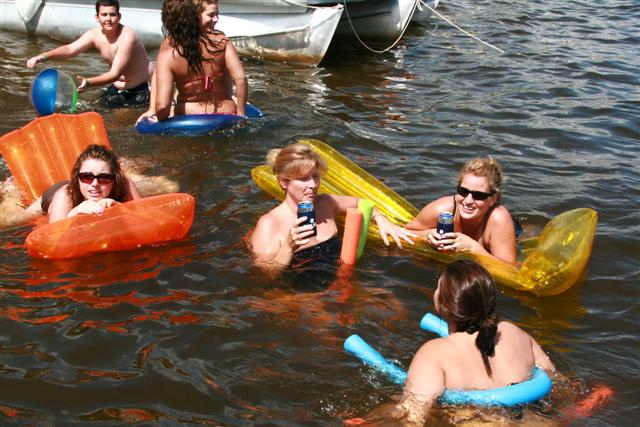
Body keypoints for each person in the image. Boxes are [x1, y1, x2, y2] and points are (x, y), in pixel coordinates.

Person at [398, 260, 557, 424]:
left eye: (438, 287)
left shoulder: (434, 353)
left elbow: (412, 416)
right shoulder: (515, 332)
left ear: (444, 305)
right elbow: (553, 376)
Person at [250, 143, 416, 272]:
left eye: (316, 176)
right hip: (301, 294)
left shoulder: (325, 203)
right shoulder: (269, 223)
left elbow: (362, 203)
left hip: (339, 280)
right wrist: (288, 246)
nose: (313, 185)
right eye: (304, 178)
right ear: (284, 182)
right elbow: (266, 275)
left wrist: (381, 219)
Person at [26, 0, 153, 108]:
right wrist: (43, 56)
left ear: (119, 17)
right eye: (104, 15)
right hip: (117, 87)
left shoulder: (127, 37)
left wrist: (89, 82)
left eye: (112, 15)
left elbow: (115, 74)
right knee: (96, 110)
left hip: (141, 88)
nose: (108, 19)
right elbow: (70, 49)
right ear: (97, 18)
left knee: (116, 121)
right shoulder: (95, 35)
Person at [137, 0, 247, 123]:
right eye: (211, 14)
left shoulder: (168, 54)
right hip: (225, 111)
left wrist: (157, 117)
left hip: (188, 115)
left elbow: (162, 105)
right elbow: (241, 78)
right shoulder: (221, 42)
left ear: (167, 22)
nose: (216, 19)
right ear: (196, 16)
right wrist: (241, 114)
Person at [405, 157, 517, 265]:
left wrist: (474, 248)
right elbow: (405, 232)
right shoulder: (442, 209)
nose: (468, 201)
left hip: (506, 233)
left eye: (478, 195)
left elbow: (510, 271)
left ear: (493, 199)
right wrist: (426, 235)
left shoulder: (498, 219)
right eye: (463, 191)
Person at [45, 144, 141, 223]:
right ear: (77, 177)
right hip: (51, 197)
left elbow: (144, 220)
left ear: (115, 179)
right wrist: (72, 216)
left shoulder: (124, 183)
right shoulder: (65, 195)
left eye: (104, 178)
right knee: (39, 209)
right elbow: (54, 238)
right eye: (86, 177)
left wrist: (122, 209)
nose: (95, 184)